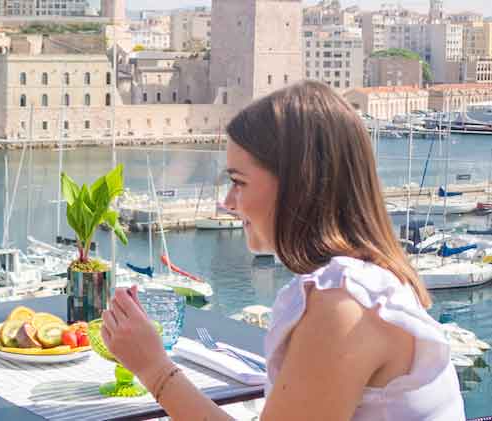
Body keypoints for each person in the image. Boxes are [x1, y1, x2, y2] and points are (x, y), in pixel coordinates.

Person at [101, 81, 465, 420]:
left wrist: (153, 368)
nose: (228, 202)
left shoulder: (345, 304)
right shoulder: (367, 286)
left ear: (299, 185)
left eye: (238, 182)